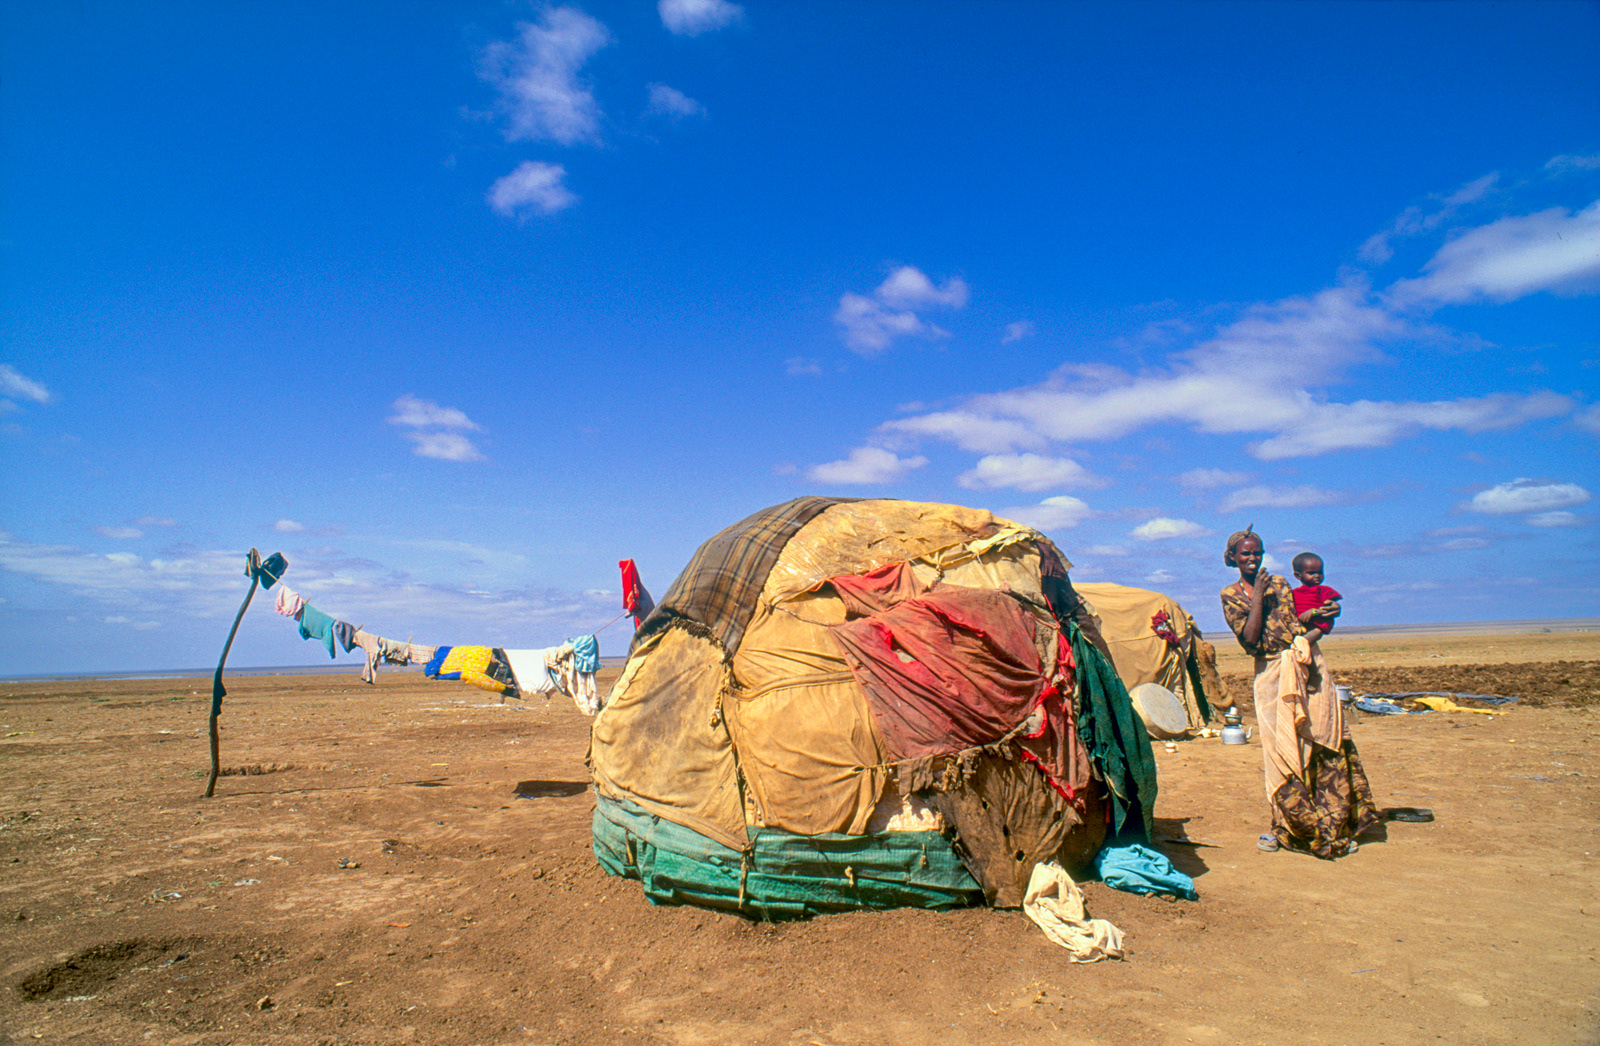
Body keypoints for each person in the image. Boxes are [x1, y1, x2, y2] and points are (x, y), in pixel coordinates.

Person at [1219, 528, 1378, 858]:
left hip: (1307, 666)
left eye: (1257, 552)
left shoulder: (1280, 584)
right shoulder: (1230, 594)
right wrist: (1257, 596)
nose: (1253, 558)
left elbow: (1303, 619)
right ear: (1233, 557)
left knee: (1320, 737)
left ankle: (1334, 822)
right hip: (1271, 674)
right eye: (1246, 553)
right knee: (1281, 751)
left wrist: (1327, 614)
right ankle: (1291, 826)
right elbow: (1249, 639)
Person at [1291, 552, 1342, 636]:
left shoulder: (1324, 591)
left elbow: (1329, 609)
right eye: (1312, 573)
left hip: (1318, 624)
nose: (1317, 575)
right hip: (1300, 625)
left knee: (1308, 638)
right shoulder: (1293, 593)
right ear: (1298, 575)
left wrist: (1313, 612)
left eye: (1320, 572)